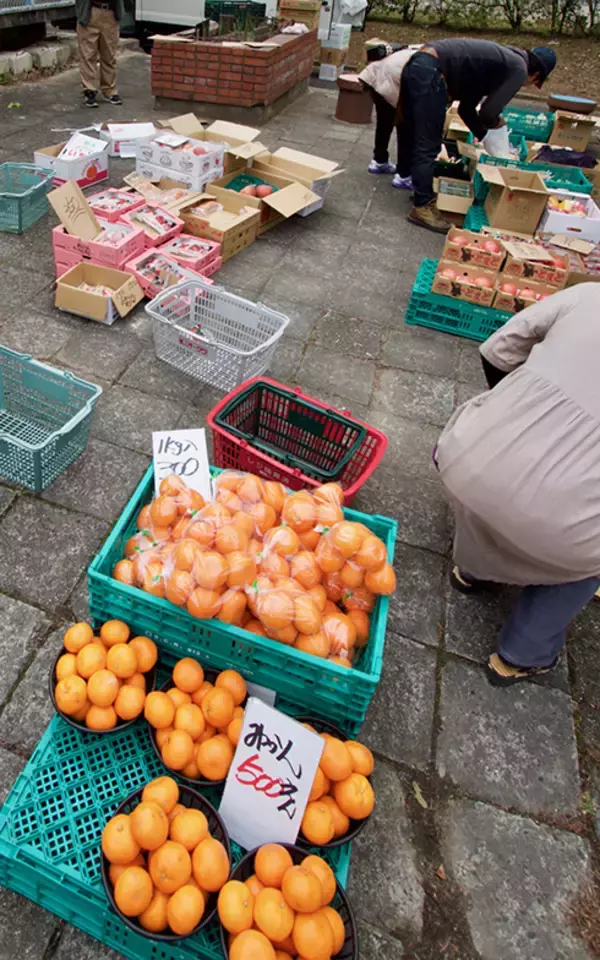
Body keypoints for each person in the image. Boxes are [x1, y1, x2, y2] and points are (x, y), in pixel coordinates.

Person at [435, 283, 600, 687]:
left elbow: (497, 349)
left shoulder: (589, 296)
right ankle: (522, 653)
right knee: (585, 551)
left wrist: (515, 412)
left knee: (509, 490)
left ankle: (473, 569)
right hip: (556, 527)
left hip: (467, 462)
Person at [398, 40, 556, 233]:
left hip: (418, 64)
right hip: (430, 70)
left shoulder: (501, 60)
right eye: (533, 84)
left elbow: (466, 109)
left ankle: (418, 189)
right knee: (428, 144)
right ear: (536, 74)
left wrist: (484, 136)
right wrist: (497, 128)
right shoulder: (518, 69)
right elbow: (489, 114)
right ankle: (422, 207)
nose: (525, 86)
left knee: (414, 131)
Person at [359, 47, 416, 186]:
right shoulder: (427, 62)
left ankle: (379, 161)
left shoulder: (416, 51)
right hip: (389, 82)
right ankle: (404, 175)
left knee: (384, 123)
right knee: (405, 128)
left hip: (375, 79)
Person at [75, 0, 124, 108]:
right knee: (88, 55)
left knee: (109, 55)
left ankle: (110, 90)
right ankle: (90, 90)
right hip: (90, 12)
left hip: (110, 12)